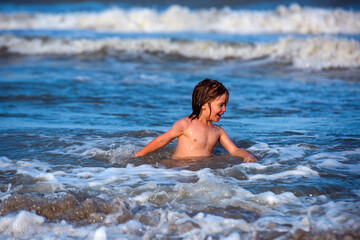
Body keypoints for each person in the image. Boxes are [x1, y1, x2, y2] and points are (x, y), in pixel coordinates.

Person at [135, 78, 257, 162]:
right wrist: (141, 154)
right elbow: (161, 140)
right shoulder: (185, 124)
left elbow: (234, 150)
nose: (224, 109)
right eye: (221, 105)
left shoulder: (217, 131)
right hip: (179, 169)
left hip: (203, 172)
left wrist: (248, 155)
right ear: (203, 104)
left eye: (225, 105)